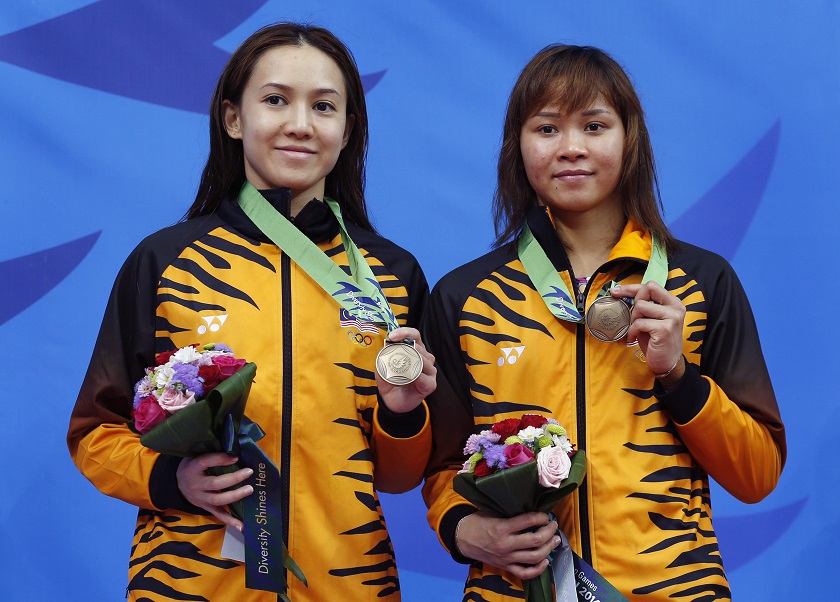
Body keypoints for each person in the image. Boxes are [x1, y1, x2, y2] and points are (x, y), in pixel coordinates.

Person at [67, 23, 437, 601]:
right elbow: (95, 434)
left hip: (348, 585)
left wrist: (402, 414)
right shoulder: (167, 261)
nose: (299, 124)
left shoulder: (392, 274)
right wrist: (171, 478)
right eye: (275, 100)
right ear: (233, 119)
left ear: (347, 130)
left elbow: (396, 476)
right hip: (190, 586)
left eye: (324, 106)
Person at [421, 44, 785, 601]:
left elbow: (757, 475)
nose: (571, 148)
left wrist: (678, 376)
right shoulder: (467, 295)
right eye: (547, 129)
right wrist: (465, 530)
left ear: (629, 139)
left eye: (594, 125)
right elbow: (444, 467)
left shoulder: (702, 282)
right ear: (517, 146)